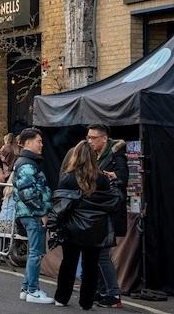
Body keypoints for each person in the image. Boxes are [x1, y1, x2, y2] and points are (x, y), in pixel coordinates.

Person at [49, 141, 122, 310]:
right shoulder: (102, 179)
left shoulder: (67, 178)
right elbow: (113, 202)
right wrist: (116, 183)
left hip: (72, 227)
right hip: (96, 229)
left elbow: (61, 206)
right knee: (91, 266)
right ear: (94, 157)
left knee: (68, 262)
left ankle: (62, 297)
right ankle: (86, 302)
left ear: (75, 156)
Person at [64, 124, 128, 309]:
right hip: (95, 216)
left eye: (93, 138)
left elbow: (123, 178)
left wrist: (112, 177)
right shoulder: (93, 156)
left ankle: (114, 294)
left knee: (102, 255)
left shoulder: (116, 154)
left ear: (104, 139)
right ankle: (100, 291)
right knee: (97, 255)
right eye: (88, 137)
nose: (89, 141)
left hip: (107, 214)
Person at [13, 127, 54, 304]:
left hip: (29, 213)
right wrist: (43, 211)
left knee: (34, 252)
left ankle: (26, 288)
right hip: (33, 214)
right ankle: (33, 290)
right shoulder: (27, 164)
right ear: (28, 143)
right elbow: (28, 193)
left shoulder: (26, 162)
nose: (41, 144)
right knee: (36, 253)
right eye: (39, 141)